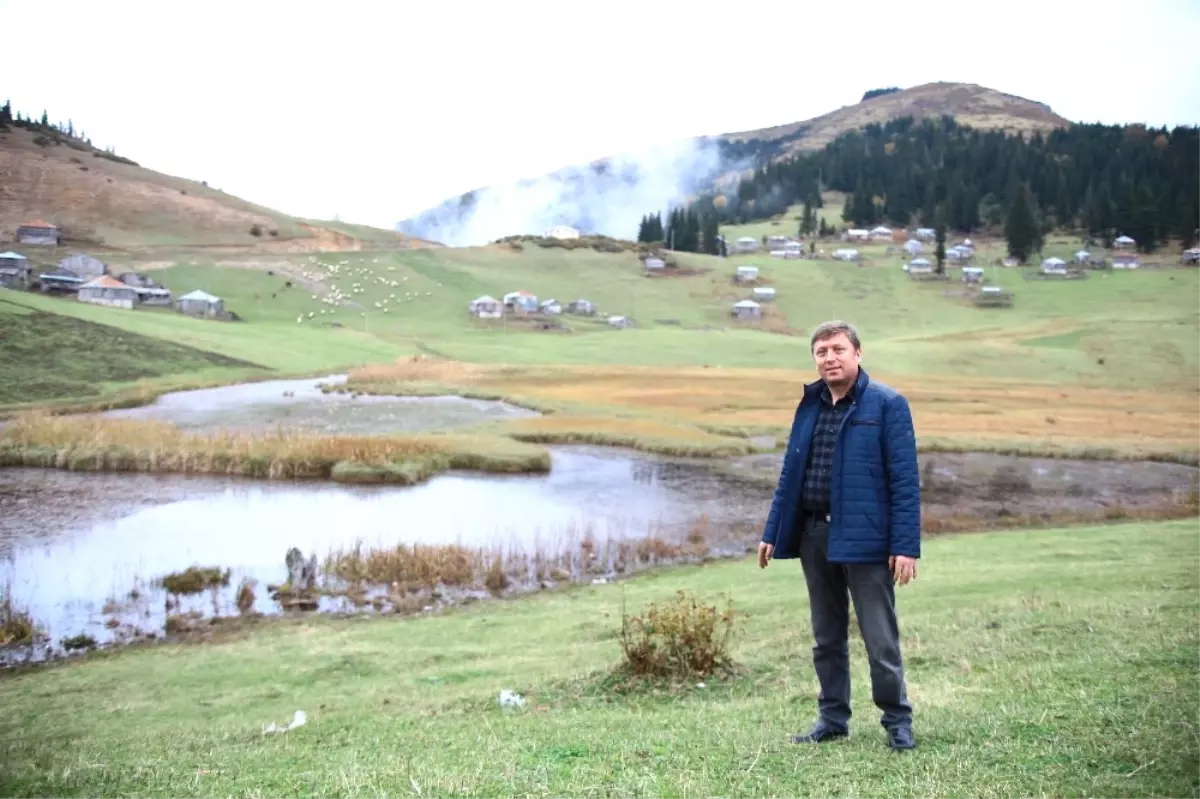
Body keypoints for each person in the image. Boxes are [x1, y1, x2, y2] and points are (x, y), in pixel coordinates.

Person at [758, 320, 920, 751]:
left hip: (867, 540)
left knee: (879, 636)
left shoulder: (887, 403)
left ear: (857, 353)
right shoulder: (809, 404)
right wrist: (773, 531)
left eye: (837, 349)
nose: (829, 357)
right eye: (821, 351)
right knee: (826, 636)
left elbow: (905, 480)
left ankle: (896, 720)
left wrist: (904, 545)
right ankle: (832, 719)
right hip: (814, 535)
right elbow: (792, 473)